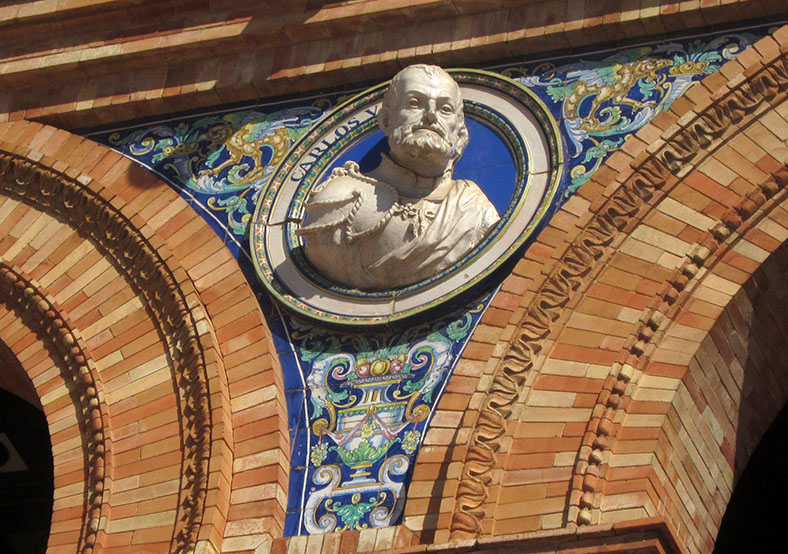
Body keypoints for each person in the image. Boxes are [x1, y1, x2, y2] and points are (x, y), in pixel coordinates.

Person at [296, 64, 499, 290]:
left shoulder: (475, 208)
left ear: (460, 135)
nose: (431, 116)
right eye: (415, 103)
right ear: (386, 121)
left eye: (445, 109)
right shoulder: (339, 199)